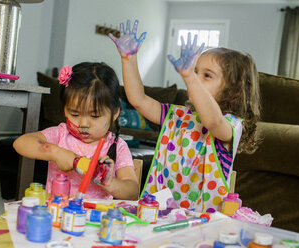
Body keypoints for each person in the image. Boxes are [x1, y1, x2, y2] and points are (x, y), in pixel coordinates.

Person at [110, 20, 260, 213]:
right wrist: (128, 58)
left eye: (207, 75)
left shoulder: (231, 125)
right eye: (195, 70)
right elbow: (138, 99)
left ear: (234, 93)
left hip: (204, 223)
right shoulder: (177, 116)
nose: (195, 78)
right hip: (160, 214)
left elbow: (212, 120)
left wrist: (189, 77)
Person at [13, 62, 139, 200]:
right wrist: (57, 153)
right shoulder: (60, 134)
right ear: (65, 109)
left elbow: (132, 191)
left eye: (95, 116)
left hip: (96, 218)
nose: (83, 124)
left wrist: (108, 181)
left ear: (114, 113)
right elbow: (21, 143)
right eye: (75, 114)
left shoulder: (117, 146)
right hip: (57, 214)